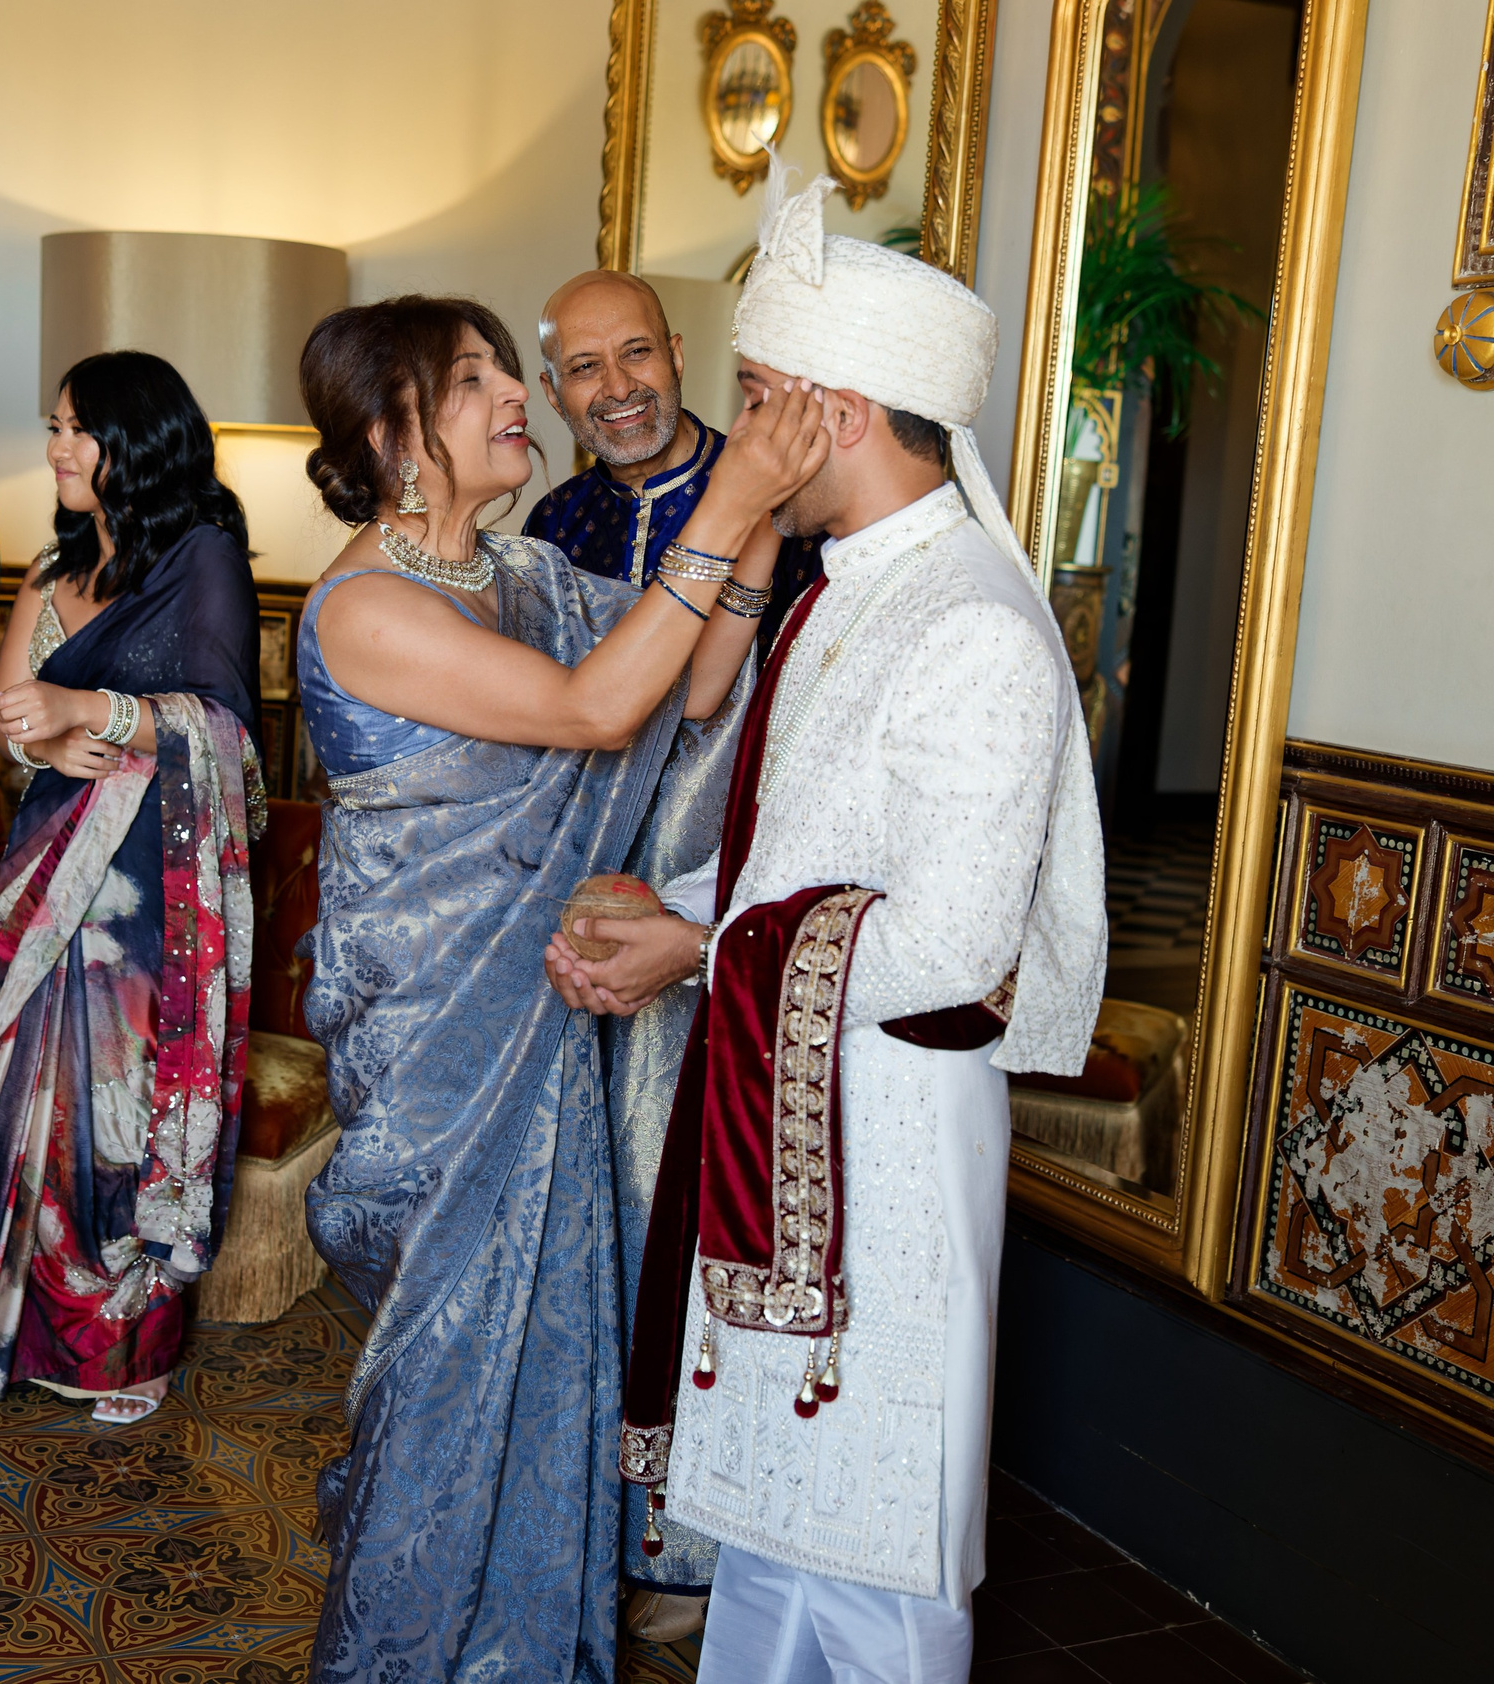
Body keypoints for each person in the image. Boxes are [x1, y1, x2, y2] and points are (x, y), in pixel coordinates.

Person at [551, 172, 1107, 1684]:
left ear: (839, 414)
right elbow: (803, 860)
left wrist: (695, 955)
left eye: (755, 398)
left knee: (874, 1566)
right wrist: (667, 908)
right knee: (782, 1559)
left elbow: (952, 948)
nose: (737, 431)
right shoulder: (837, 591)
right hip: (794, 1114)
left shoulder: (976, 623)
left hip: (894, 1146)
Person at [292, 294, 826, 1682]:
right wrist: (738, 495)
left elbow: (691, 684)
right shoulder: (363, 608)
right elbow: (596, 711)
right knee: (457, 1357)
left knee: (540, 1353)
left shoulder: (521, 572)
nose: (516, 398)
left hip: (535, 1029)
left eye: (498, 374)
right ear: (395, 434)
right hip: (439, 1042)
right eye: (474, 383)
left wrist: (757, 502)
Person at [0, 350, 260, 1424]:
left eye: (78, 431)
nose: (55, 449)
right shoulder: (51, 578)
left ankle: (111, 1345)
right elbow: (8, 720)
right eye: (53, 427)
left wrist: (91, 716)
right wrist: (37, 737)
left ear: (138, 441)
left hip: (148, 903)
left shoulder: (203, 559)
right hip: (47, 869)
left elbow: (229, 738)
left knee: (116, 1112)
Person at [528, 270, 825, 654]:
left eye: (637, 352)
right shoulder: (550, 524)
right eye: (585, 366)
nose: (619, 387)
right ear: (553, 393)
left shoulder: (783, 490)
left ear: (676, 357)